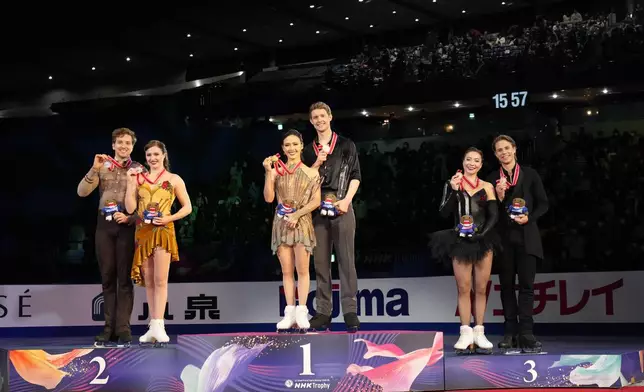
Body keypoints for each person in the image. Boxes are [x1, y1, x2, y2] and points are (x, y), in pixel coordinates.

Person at [77, 127, 145, 346]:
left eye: (128, 143)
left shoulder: (138, 169)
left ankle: (123, 328)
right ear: (113, 145)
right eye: (120, 142)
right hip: (104, 226)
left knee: (124, 278)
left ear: (132, 146)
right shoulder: (102, 165)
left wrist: (131, 218)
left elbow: (145, 201)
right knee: (107, 277)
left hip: (126, 224)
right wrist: (93, 168)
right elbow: (82, 192)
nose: (124, 146)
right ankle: (108, 329)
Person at [431, 147, 500, 354]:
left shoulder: (487, 186)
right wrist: (453, 189)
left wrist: (482, 234)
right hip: (459, 240)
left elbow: (494, 215)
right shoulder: (453, 183)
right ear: (463, 162)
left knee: (480, 288)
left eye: (476, 160)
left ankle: (479, 332)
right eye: (468, 159)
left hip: (483, 240)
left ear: (481, 164)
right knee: (463, 288)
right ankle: (464, 332)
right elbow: (444, 213)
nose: (472, 163)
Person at [125, 140, 192, 346]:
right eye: (149, 155)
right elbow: (130, 209)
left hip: (163, 230)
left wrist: (169, 218)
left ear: (164, 155)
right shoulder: (138, 179)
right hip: (143, 232)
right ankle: (152, 326)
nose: (152, 159)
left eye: (156, 154)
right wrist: (129, 183)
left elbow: (187, 207)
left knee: (161, 280)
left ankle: (160, 325)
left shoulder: (174, 179)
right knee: (149, 282)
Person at [302, 102, 361, 332]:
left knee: (347, 260)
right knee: (320, 263)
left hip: (342, 203)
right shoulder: (307, 151)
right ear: (311, 121)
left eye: (322, 116)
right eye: (315, 117)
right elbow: (304, 183)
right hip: (317, 208)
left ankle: (350, 311)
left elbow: (356, 176)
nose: (319, 120)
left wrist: (346, 200)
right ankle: (323, 312)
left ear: (330, 117)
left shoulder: (346, 145)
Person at [486, 135, 548, 353]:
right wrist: (499, 196)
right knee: (506, 287)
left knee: (527, 287)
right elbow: (489, 212)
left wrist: (529, 218)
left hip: (527, 238)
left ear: (514, 149)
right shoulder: (493, 178)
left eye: (507, 148)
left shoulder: (530, 174)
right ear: (495, 155)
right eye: (499, 150)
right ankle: (510, 333)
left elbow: (544, 204)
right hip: (504, 240)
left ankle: (527, 334)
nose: (504, 152)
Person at [263, 130, 322, 332]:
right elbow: (269, 198)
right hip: (281, 223)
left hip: (302, 223)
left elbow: (316, 201)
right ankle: (289, 313)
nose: (291, 148)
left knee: (303, 270)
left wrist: (297, 215)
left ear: (301, 146)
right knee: (287, 271)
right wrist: (268, 173)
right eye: (287, 145)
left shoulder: (311, 172)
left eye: (295, 144)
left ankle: (302, 311)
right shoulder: (276, 172)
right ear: (282, 148)